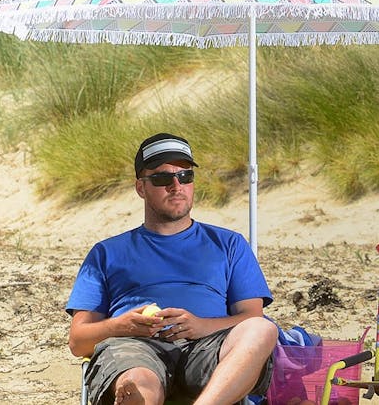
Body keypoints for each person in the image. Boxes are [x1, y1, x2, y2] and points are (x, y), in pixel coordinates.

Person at [66, 132, 278, 405]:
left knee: (261, 330)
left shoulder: (229, 244)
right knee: (139, 382)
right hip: (134, 346)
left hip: (209, 346)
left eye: (185, 176)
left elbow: (251, 317)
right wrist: (121, 326)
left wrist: (201, 326)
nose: (176, 186)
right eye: (162, 178)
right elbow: (78, 342)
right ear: (141, 188)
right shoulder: (107, 253)